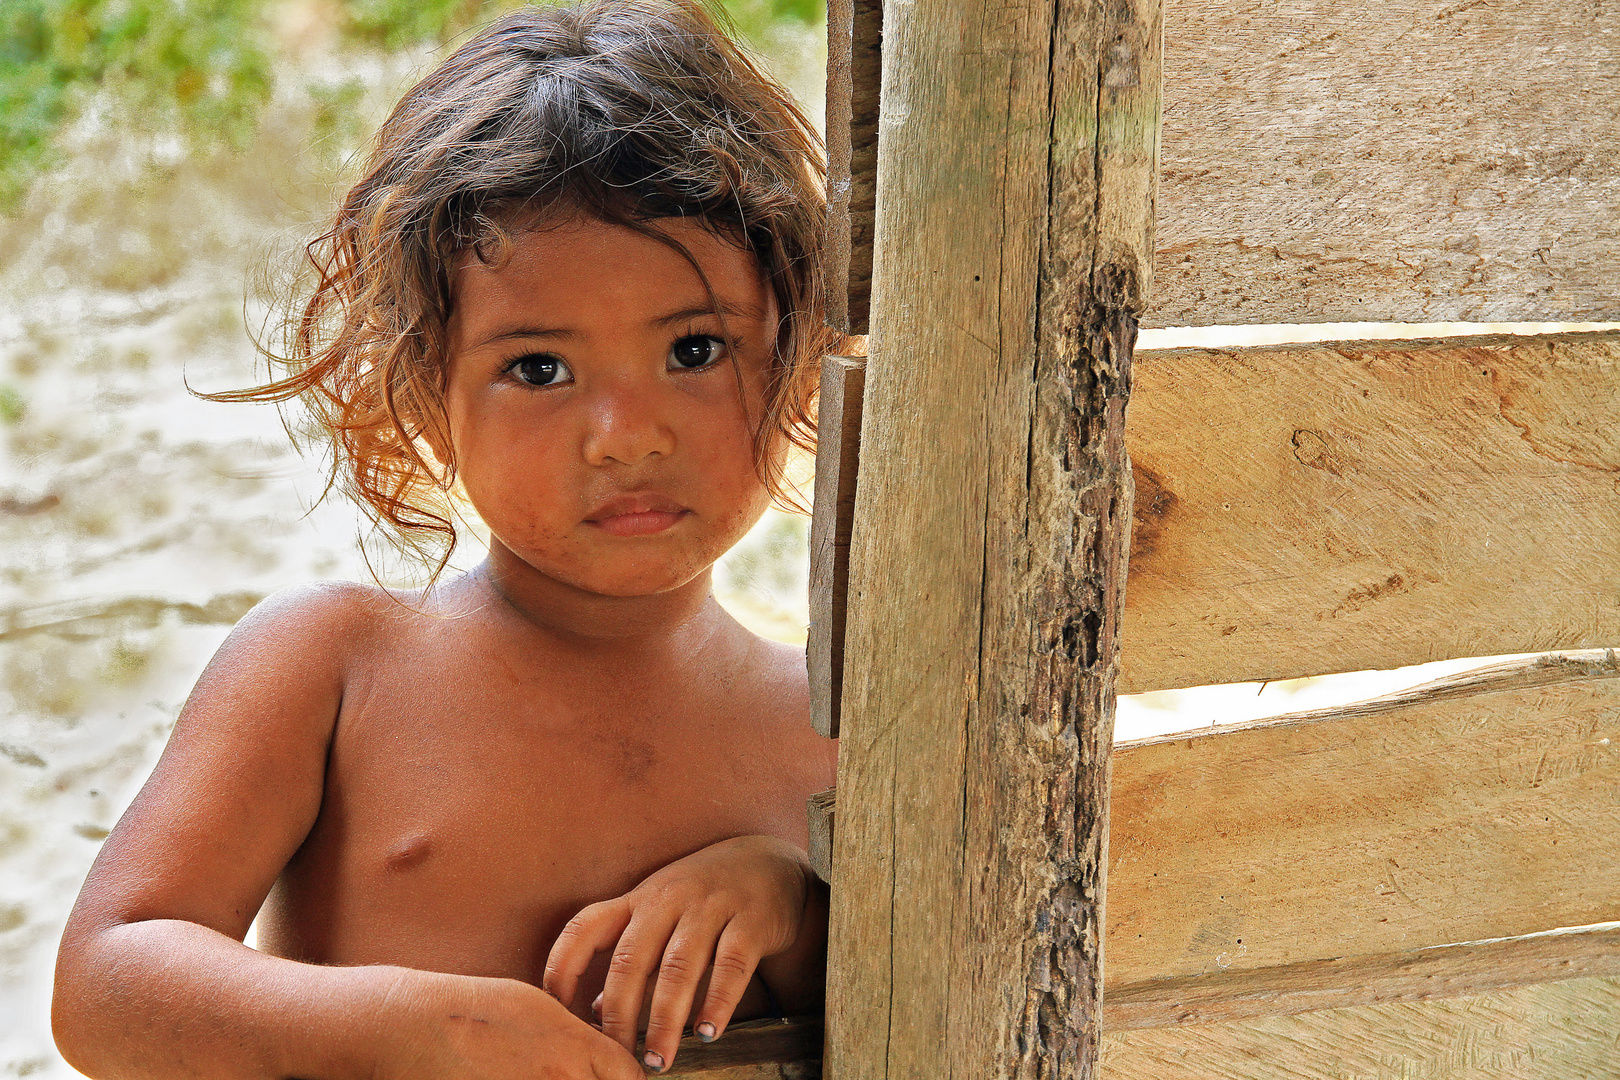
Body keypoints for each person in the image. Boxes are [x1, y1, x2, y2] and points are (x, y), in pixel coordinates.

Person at [51, 2, 848, 1076]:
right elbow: (106, 984)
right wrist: (420, 1025)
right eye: (538, 369)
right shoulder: (337, 670)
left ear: (793, 354)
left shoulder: (825, 734)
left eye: (695, 348)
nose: (625, 437)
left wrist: (792, 905)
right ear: (431, 396)